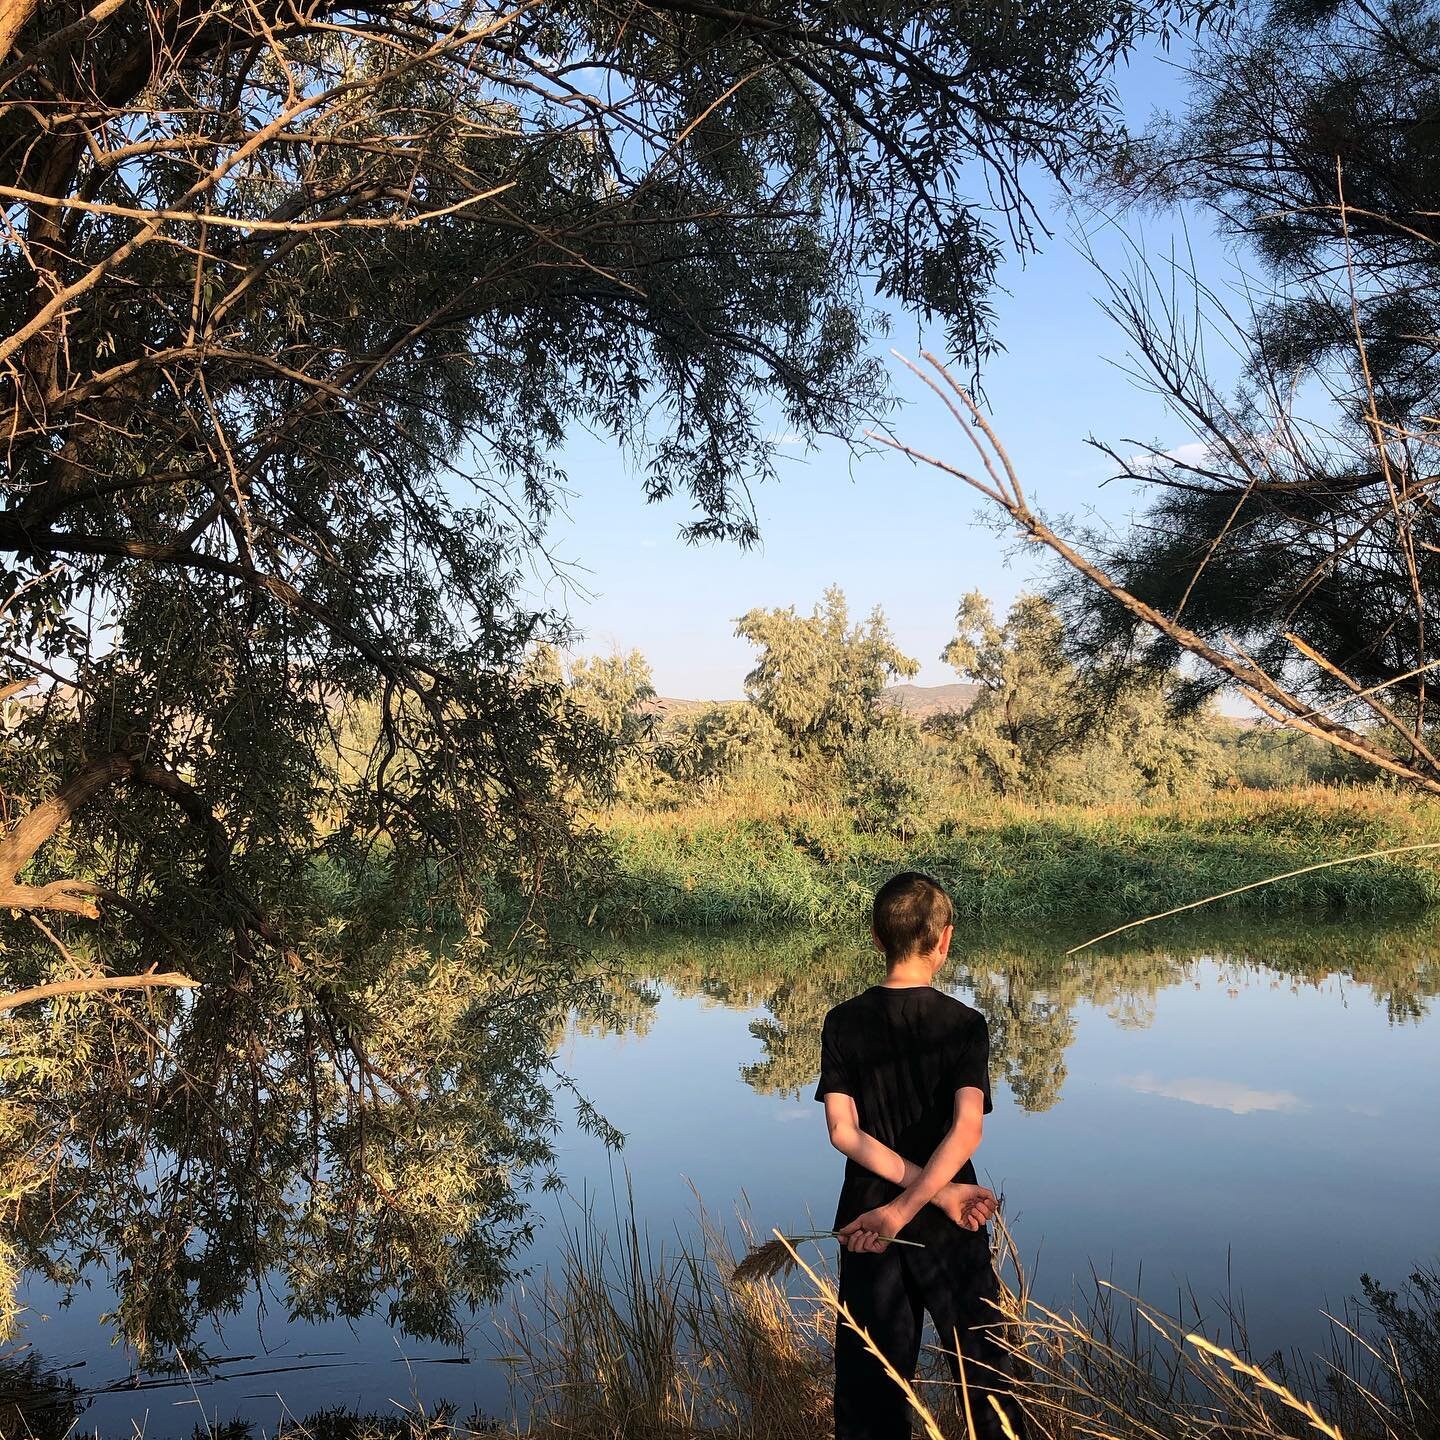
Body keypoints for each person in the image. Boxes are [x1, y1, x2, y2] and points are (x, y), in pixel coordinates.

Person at [815, 871, 1021, 1440]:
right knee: (987, 1382)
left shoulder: (842, 1022)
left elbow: (842, 1132)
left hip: (867, 1222)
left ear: (877, 938)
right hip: (952, 1219)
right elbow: (966, 1131)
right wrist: (938, 1195)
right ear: (944, 940)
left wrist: (894, 1208)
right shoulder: (965, 1026)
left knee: (870, 1392)